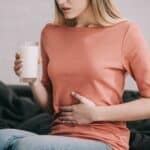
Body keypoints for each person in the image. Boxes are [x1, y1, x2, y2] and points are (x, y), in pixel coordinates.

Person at [1, 0, 150, 150]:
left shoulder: (125, 31)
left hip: (104, 139)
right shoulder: (50, 33)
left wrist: (96, 114)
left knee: (25, 146)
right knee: (2, 138)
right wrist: (33, 81)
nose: (61, 2)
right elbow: (52, 107)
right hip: (59, 135)